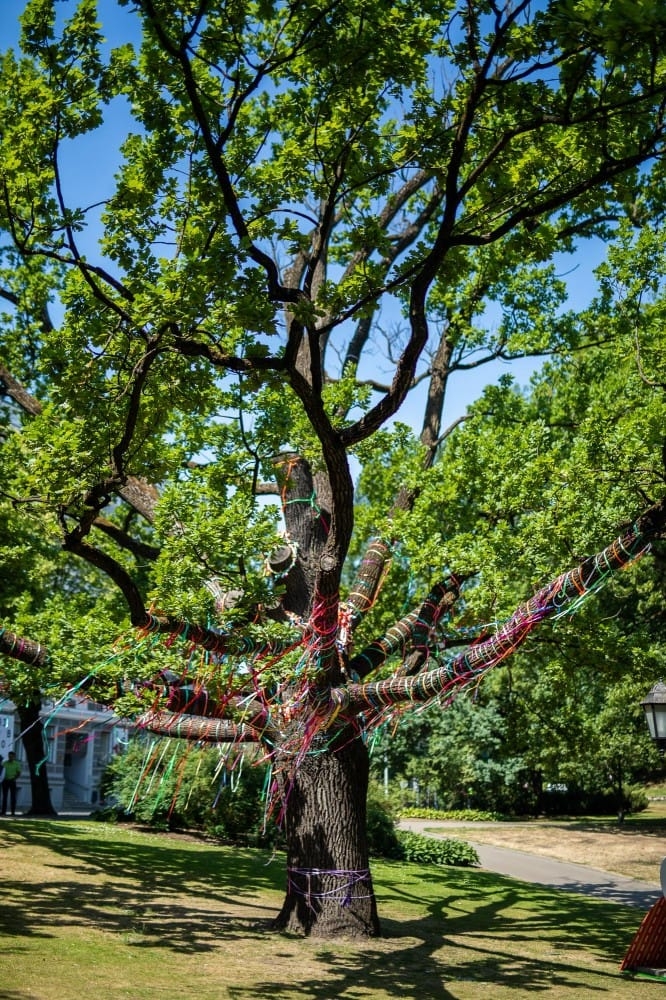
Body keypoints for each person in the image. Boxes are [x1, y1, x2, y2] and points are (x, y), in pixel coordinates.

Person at [1, 751, 21, 816]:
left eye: (11, 756)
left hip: (12, 781)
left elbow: (19, 773)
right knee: (4, 797)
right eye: (9, 756)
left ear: (14, 757)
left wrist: (14, 778)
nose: (10, 757)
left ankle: (13, 812)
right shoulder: (4, 763)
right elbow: (1, 771)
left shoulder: (16, 764)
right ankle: (3, 811)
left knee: (13, 797)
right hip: (5, 781)